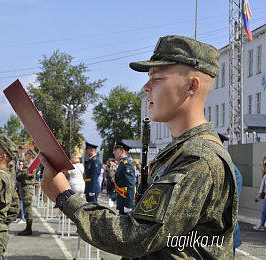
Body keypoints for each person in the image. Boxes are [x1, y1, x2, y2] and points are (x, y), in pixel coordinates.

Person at [39, 35, 237, 259]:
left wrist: (66, 197)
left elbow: (135, 236)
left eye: (157, 78)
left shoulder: (199, 159)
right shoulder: (180, 151)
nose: (146, 87)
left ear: (192, 86)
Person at [112, 139, 136, 217]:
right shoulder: (122, 163)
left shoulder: (126, 165)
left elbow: (131, 185)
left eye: (115, 150)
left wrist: (129, 204)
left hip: (125, 199)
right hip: (122, 199)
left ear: (122, 151)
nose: (114, 153)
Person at [17, 148, 37, 236]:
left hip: (27, 188)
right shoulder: (29, 165)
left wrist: (21, 172)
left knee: (27, 208)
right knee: (26, 207)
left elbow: (20, 176)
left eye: (26, 154)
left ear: (30, 156)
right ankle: (28, 227)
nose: (25, 156)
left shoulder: (30, 166)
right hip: (25, 187)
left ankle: (29, 228)